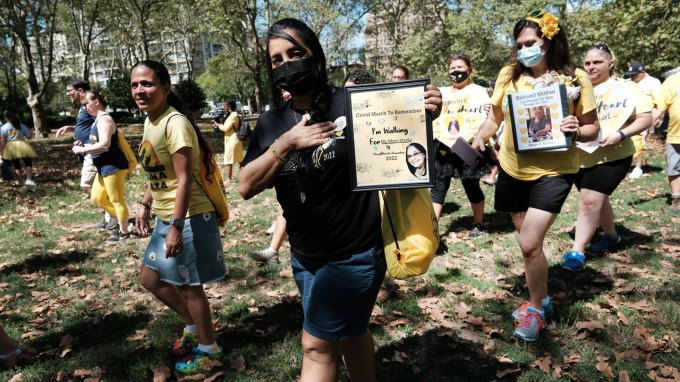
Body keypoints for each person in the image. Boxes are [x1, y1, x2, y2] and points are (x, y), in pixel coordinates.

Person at [238, 18, 441, 381]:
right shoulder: (272, 121)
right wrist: (285, 144)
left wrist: (422, 110)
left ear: (315, 54)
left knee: (316, 346)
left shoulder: (354, 103)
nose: (286, 64)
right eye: (276, 60)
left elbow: (406, 146)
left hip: (355, 253)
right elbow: (246, 185)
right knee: (350, 332)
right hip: (304, 256)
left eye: (295, 53)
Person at [471, 10, 599, 342]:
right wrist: (479, 135)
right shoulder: (508, 75)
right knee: (531, 247)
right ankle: (542, 297)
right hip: (513, 168)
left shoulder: (576, 78)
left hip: (555, 170)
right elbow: (494, 119)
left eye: (531, 43)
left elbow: (592, 128)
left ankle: (535, 310)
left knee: (529, 242)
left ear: (549, 41)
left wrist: (577, 130)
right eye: (519, 45)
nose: (524, 49)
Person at [131, 60, 227, 374]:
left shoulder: (175, 123)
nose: (140, 91)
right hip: (165, 215)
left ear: (165, 88)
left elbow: (184, 179)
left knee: (190, 286)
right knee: (150, 278)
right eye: (135, 85)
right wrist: (145, 204)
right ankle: (192, 326)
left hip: (188, 216)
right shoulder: (150, 121)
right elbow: (160, 174)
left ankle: (209, 348)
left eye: (147, 84)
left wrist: (175, 225)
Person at [562, 44, 652, 271]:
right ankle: (612, 236)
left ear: (610, 63)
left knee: (589, 200)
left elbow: (645, 118)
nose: (591, 67)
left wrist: (621, 134)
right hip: (581, 155)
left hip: (615, 155)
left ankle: (577, 251)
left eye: (597, 62)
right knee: (597, 200)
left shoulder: (627, 87)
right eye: (588, 63)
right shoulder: (576, 88)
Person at [431, 53, 491, 238]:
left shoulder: (480, 92)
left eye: (459, 68)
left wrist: (490, 110)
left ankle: (478, 224)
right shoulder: (442, 92)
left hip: (468, 147)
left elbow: (492, 119)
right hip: (442, 146)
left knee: (471, 186)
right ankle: (432, 232)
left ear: (469, 70)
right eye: (452, 69)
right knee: (438, 189)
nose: (455, 72)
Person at [71, 91, 132, 243]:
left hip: (113, 166)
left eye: (87, 104)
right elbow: (96, 142)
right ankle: (123, 221)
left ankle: (124, 232)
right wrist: (83, 145)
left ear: (96, 102)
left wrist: (82, 150)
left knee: (116, 200)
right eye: (83, 105)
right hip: (103, 167)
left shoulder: (105, 119)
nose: (85, 107)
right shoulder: (96, 119)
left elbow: (105, 144)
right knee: (97, 198)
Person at [56, 80, 117, 230]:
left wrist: (88, 146)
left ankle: (114, 216)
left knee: (91, 186)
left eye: (70, 90)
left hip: (93, 152)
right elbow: (89, 126)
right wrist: (71, 128)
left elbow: (103, 122)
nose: (67, 94)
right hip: (88, 152)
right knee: (98, 186)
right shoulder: (84, 107)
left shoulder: (90, 105)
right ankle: (109, 216)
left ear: (80, 90)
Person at [624, 62, 661, 179]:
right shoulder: (630, 83)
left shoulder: (653, 82)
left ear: (642, 72)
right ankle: (628, 165)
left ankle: (638, 168)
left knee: (639, 139)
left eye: (634, 75)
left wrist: (655, 119)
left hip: (645, 117)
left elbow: (659, 102)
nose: (632, 77)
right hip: (630, 116)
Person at [652, 72, 680, 213]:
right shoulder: (672, 81)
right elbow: (659, 108)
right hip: (675, 135)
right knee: (673, 168)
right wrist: (644, 125)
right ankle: (676, 199)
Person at [0, 110, 37, 186]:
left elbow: (3, 141)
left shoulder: (4, 127)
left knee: (16, 164)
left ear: (6, 117)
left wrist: (1, 150)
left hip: (10, 147)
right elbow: (29, 137)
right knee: (27, 162)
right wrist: (31, 132)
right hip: (22, 145)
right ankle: (29, 180)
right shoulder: (21, 125)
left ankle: (20, 181)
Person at [215, 99, 244, 188]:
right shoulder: (230, 115)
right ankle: (247, 175)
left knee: (229, 160)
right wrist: (220, 124)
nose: (224, 108)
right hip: (230, 139)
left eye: (225, 106)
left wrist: (219, 125)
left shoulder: (234, 115)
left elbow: (225, 128)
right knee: (239, 160)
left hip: (233, 140)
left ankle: (228, 180)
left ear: (229, 106)